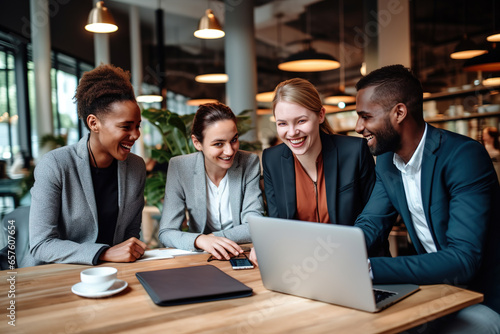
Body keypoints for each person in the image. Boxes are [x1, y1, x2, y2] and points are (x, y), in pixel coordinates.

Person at [354, 64, 500, 332]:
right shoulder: (387, 162)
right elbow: (370, 225)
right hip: (437, 292)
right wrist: (334, 255)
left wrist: (367, 268)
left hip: (484, 297)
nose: (358, 126)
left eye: (365, 116)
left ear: (399, 112)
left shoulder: (464, 157)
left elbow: (463, 259)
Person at [24, 64, 147, 267]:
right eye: (126, 126)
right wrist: (104, 253)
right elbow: (41, 244)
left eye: (137, 125)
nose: (135, 135)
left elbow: (130, 234)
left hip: (113, 274)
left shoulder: (136, 167)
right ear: (93, 123)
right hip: (57, 275)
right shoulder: (55, 165)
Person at [259, 78, 386, 257]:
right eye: (282, 123)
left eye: (301, 121)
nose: (292, 132)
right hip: (300, 266)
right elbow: (277, 225)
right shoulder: (272, 159)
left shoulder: (354, 151)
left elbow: (376, 219)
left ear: (320, 115)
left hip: (355, 260)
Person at [158, 102, 264, 260]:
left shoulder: (249, 162)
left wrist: (211, 238)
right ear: (197, 143)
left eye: (234, 140)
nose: (229, 151)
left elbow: (254, 226)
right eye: (218, 144)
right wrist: (200, 240)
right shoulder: (180, 167)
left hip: (240, 253)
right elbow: (166, 232)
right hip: (200, 256)